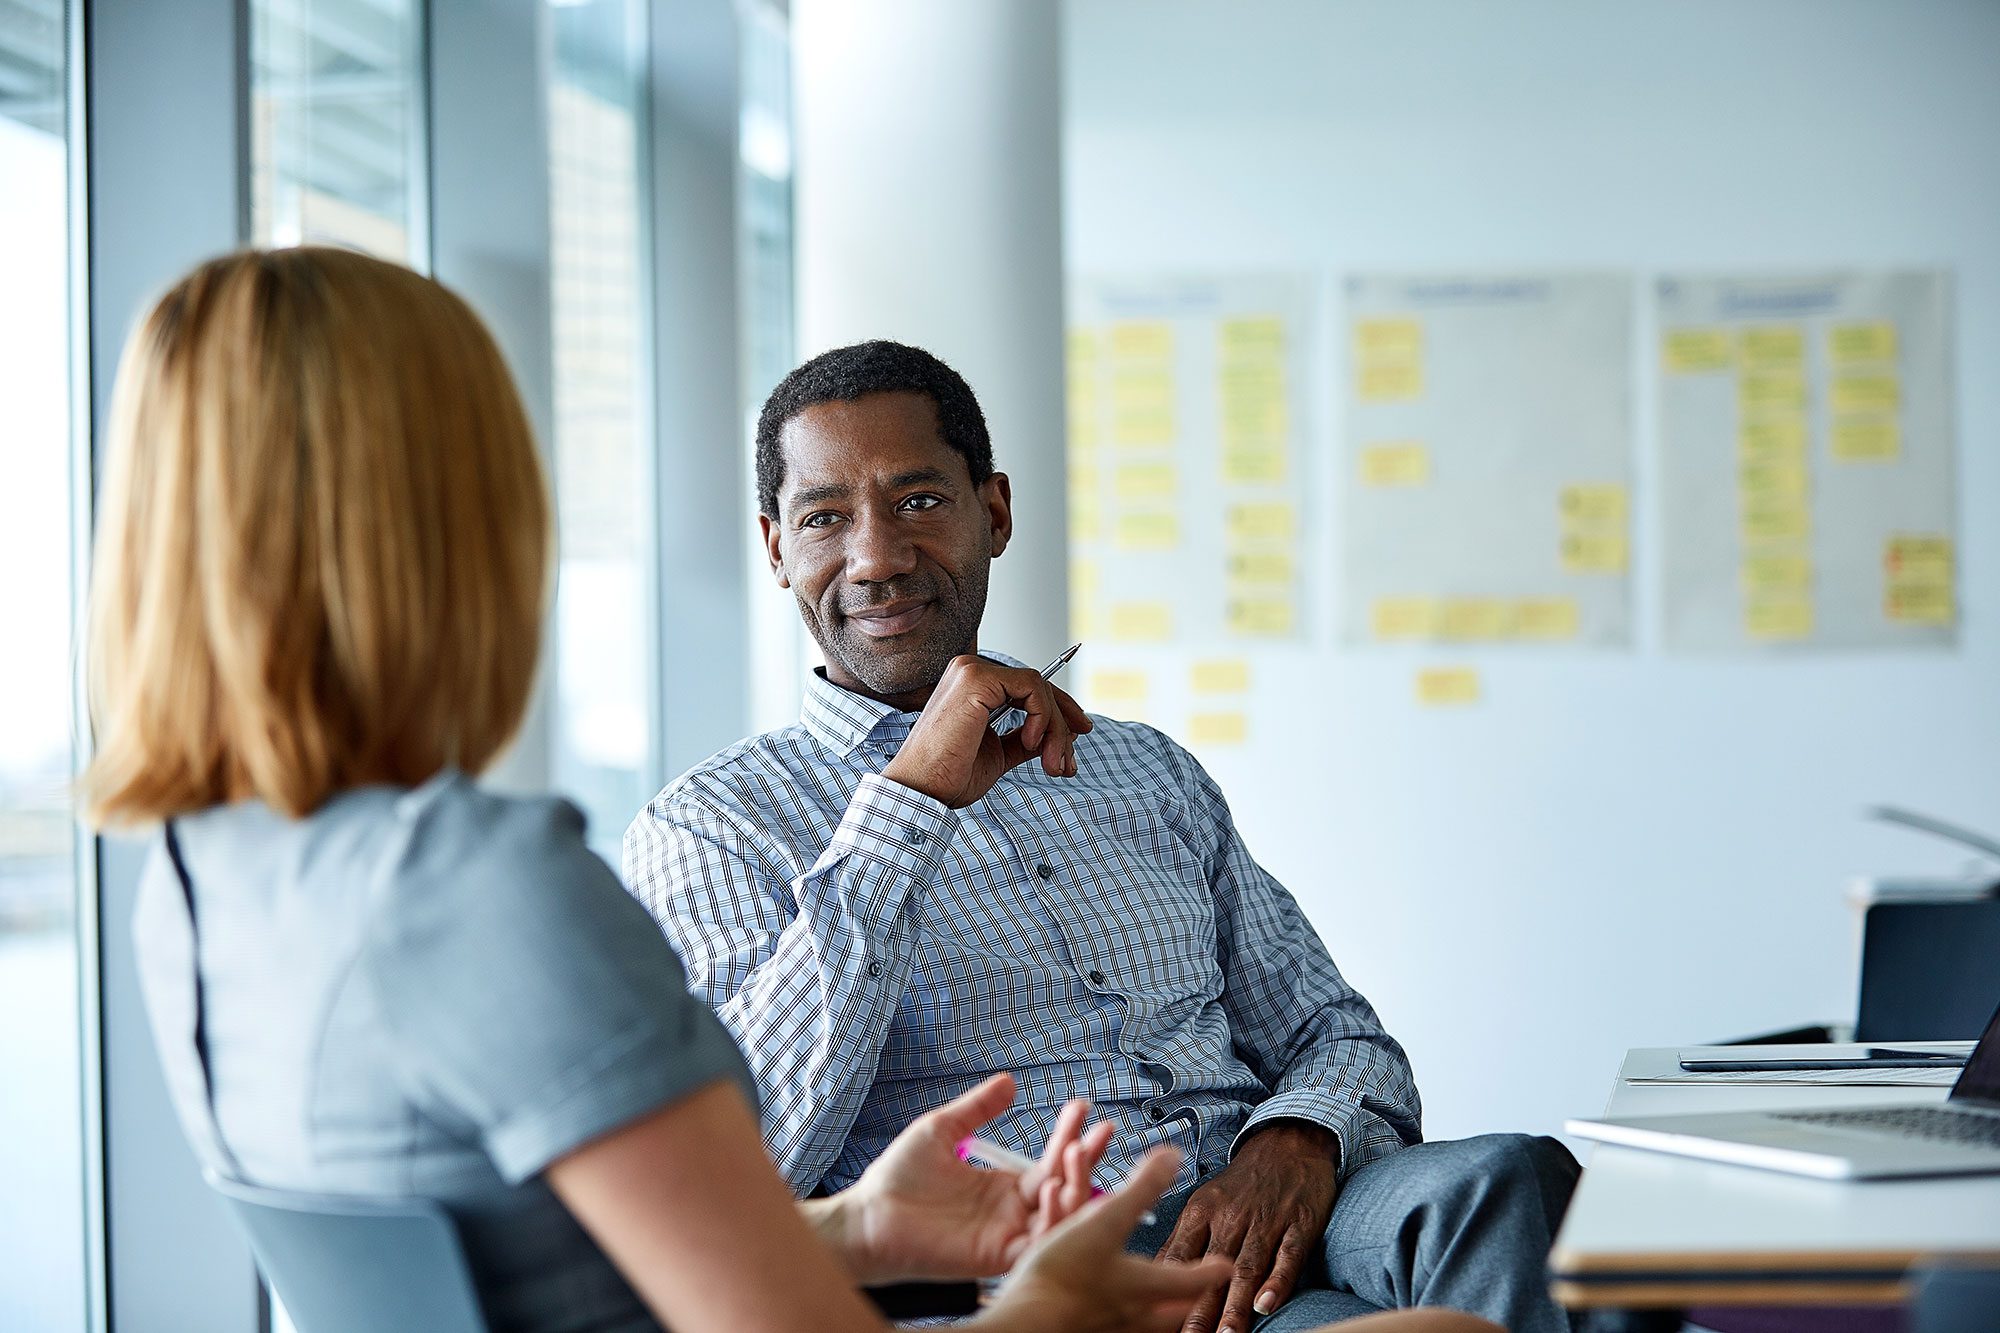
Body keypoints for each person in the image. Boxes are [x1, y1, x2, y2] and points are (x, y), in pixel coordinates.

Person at [81, 248, 1247, 1333]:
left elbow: (530, 1270)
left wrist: (852, 1228)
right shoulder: (483, 887)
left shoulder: (197, 881)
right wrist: (1048, 1307)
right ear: (451, 525)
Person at [624, 339, 1582, 1333]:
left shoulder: (1142, 769)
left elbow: (1333, 1033)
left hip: (1282, 1205)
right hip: (1053, 1279)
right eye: (825, 518)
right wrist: (905, 802)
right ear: (777, 548)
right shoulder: (712, 825)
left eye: (917, 502)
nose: (875, 556)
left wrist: (1295, 1138)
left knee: (1506, 1184)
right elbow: (752, 1157)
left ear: (993, 512)